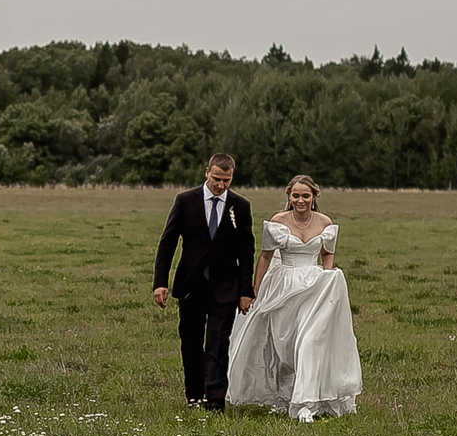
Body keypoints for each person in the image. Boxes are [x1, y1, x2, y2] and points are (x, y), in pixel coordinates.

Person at [225, 174, 362, 421]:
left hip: (314, 288)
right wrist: (254, 289)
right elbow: (265, 256)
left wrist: (328, 276)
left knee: (310, 341)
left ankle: (306, 403)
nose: (300, 200)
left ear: (314, 197)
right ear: (289, 196)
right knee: (284, 346)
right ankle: (284, 395)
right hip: (284, 286)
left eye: (305, 196)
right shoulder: (278, 221)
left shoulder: (324, 222)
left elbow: (327, 253)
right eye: (296, 195)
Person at [151, 153, 255, 410]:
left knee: (218, 343)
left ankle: (215, 400)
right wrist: (160, 282)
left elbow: (246, 252)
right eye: (217, 179)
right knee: (191, 342)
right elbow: (168, 243)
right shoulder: (185, 201)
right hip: (191, 285)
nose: (221, 185)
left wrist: (246, 291)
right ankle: (194, 396)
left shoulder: (240, 206)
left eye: (226, 180)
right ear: (207, 172)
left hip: (226, 287)